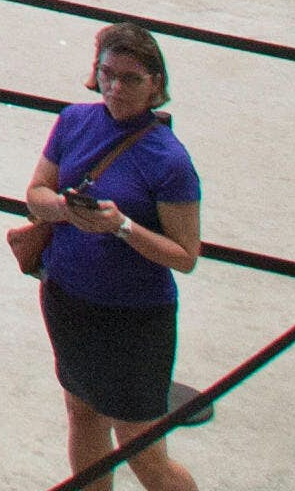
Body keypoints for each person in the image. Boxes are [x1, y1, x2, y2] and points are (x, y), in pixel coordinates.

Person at [18, 24, 198, 491]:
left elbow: (184, 255)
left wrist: (121, 226)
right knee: (82, 413)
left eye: (131, 78)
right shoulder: (74, 120)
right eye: (107, 74)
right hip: (67, 298)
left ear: (156, 84)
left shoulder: (170, 160)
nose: (115, 88)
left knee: (143, 448)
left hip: (134, 319)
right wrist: (66, 210)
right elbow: (37, 193)